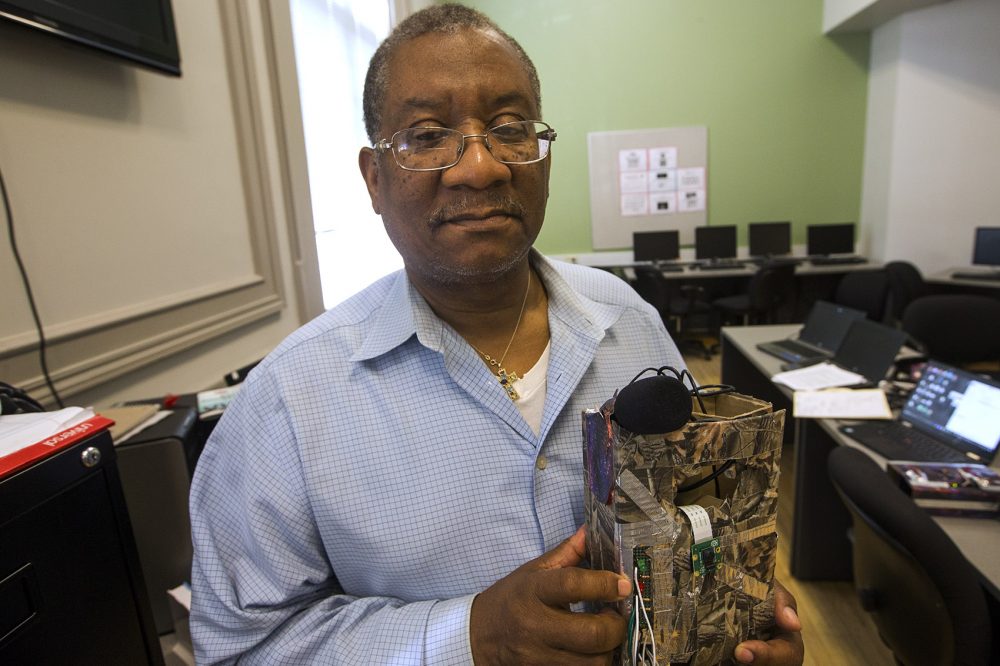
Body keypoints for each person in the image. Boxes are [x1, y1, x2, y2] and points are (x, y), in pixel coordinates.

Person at [189, 4, 804, 665]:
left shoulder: (633, 326)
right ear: (374, 178)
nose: (479, 168)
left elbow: (698, 515)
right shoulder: (288, 403)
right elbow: (241, 648)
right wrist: (468, 638)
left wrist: (738, 615)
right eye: (427, 136)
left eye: (510, 128)